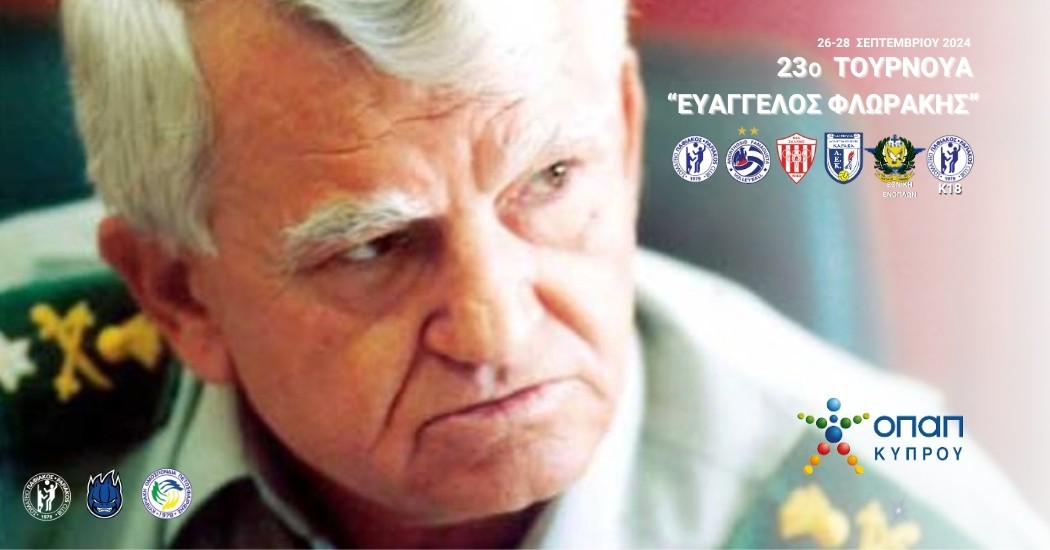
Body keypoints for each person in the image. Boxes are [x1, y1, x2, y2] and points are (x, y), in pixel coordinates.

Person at [0, 0, 1047, 547]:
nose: (496, 331)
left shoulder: (913, 521)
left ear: (625, 138)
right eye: (374, 245)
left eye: (548, 180)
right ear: (180, 293)